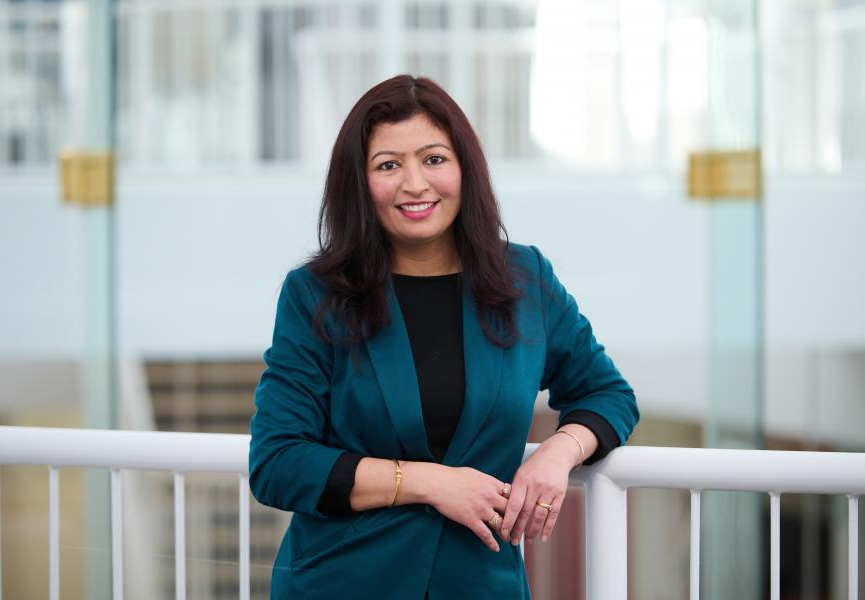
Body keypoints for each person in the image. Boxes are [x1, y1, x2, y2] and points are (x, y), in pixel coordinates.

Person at [249, 74, 639, 599]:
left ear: (465, 168)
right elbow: (277, 462)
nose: (415, 184)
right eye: (388, 165)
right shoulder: (315, 295)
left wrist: (559, 451)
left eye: (434, 159)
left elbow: (608, 393)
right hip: (342, 583)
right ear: (359, 183)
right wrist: (432, 483)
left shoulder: (525, 279)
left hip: (480, 585)